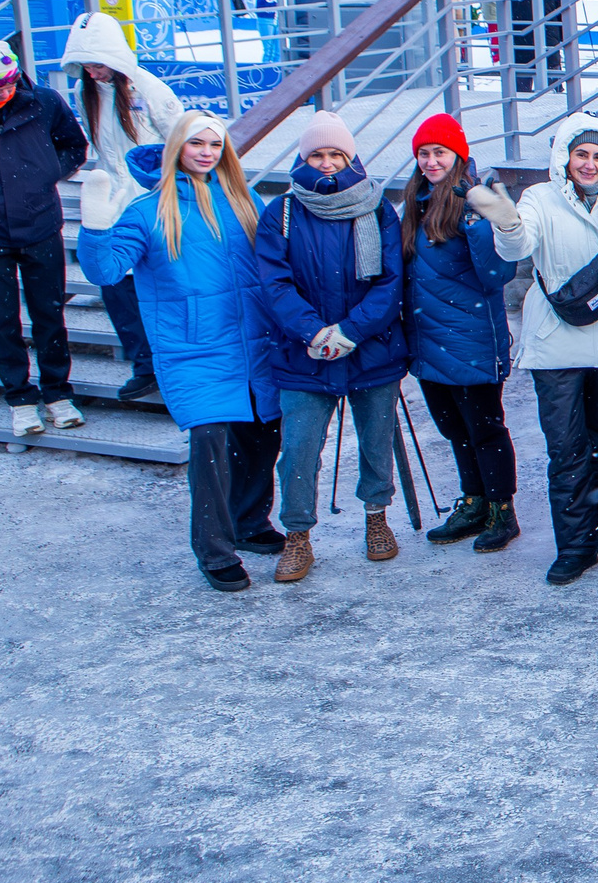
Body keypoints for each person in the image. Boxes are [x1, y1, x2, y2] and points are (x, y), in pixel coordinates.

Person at [76, 114, 281, 592]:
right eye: (196, 143)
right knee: (211, 447)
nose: (206, 152)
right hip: (195, 350)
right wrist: (95, 226)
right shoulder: (148, 210)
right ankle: (215, 550)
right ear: (176, 147)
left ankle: (250, 522)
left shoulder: (243, 199)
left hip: (255, 346)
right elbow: (105, 271)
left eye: (215, 144)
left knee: (263, 437)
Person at [254, 112, 409, 584]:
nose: (326, 163)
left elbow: (389, 282)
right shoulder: (281, 212)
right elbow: (274, 283)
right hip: (304, 354)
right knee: (299, 449)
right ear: (304, 158)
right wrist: (316, 333)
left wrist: (350, 332)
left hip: (370, 350)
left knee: (375, 441)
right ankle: (298, 534)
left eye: (335, 154)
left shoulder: (377, 208)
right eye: (317, 155)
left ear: (350, 157)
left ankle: (376, 516)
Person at [494, 113, 598, 587]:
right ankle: (572, 545)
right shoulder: (538, 198)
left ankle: (591, 525)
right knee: (567, 447)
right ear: (565, 158)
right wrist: (506, 222)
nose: (590, 163)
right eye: (582, 154)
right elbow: (519, 246)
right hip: (556, 343)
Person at [0, 40, 89, 434]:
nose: (4, 91)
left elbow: (74, 146)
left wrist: (45, 174)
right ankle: (20, 397)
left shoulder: (43, 100)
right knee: (1, 319)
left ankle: (58, 392)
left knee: (49, 313)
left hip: (40, 224)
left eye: (9, 83)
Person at [402, 115, 524, 555]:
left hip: (470, 340)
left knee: (485, 429)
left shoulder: (473, 201)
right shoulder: (413, 202)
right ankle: (473, 502)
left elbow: (496, 276)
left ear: (458, 156)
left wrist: (480, 220)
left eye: (440, 152)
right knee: (454, 429)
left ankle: (501, 511)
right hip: (427, 341)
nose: (432, 161)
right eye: (424, 153)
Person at [63, 11, 183, 401]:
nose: (93, 72)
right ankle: (145, 363)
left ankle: (170, 366)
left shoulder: (149, 90)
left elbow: (180, 139)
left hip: (152, 200)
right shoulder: (90, 94)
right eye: (86, 66)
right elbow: (103, 151)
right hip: (114, 202)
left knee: (160, 286)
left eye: (97, 64)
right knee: (113, 284)